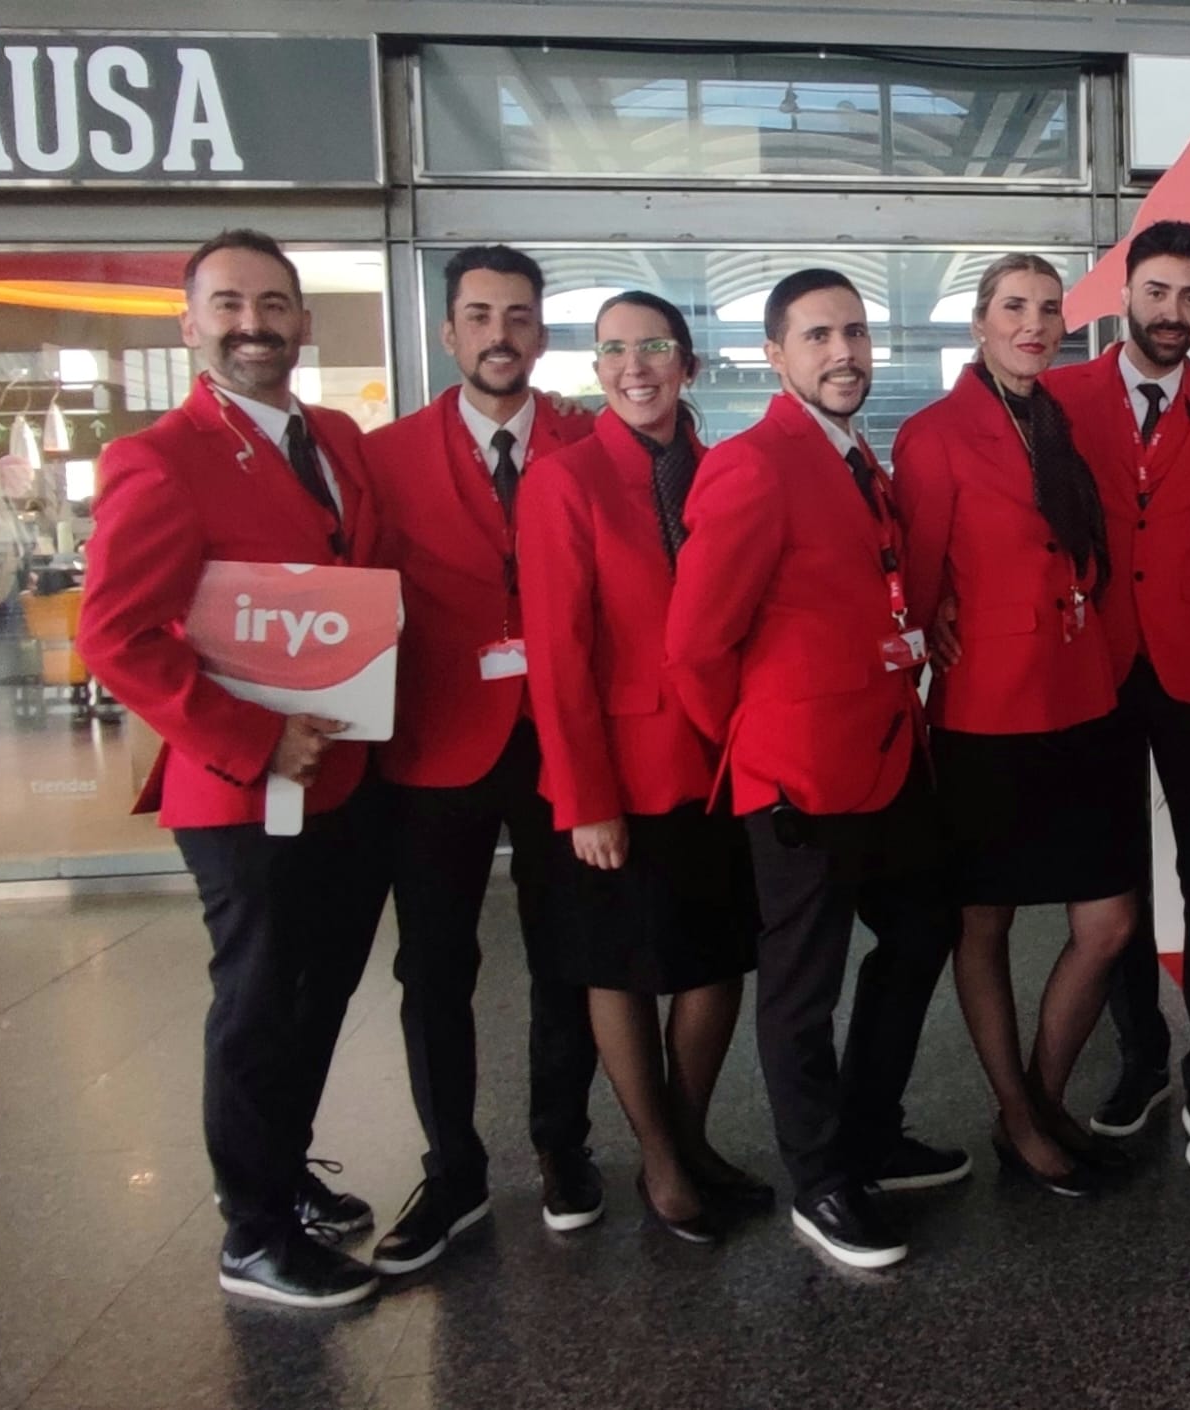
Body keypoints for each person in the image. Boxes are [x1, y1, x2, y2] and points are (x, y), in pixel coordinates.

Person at [77, 230, 391, 1309]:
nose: (252, 323)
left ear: (303, 320)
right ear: (190, 322)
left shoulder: (340, 439)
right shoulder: (159, 458)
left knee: (322, 990)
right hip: (241, 787)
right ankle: (252, 1234)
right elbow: (117, 636)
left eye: (273, 303)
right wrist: (256, 739)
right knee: (261, 1000)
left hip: (346, 779)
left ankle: (284, 1172)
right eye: (228, 304)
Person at [665, 268, 968, 1270]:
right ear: (775, 354)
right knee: (802, 988)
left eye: (853, 333)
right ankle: (820, 1181)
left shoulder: (852, 456)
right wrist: (758, 745)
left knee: (924, 927)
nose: (842, 353)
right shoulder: (754, 464)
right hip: (798, 777)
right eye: (817, 337)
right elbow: (696, 647)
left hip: (884, 758)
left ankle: (867, 1128)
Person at [360, 244, 604, 1276]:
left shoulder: (588, 440)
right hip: (434, 742)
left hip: (560, 740)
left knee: (568, 954)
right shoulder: (382, 456)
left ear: (539, 335)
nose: (498, 334)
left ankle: (562, 1145)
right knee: (434, 967)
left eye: (517, 317)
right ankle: (452, 1167)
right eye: (478, 316)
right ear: (450, 332)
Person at [520, 291, 768, 1246]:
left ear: (688, 365)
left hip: (718, 761)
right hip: (614, 772)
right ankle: (659, 1158)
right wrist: (586, 798)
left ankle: (691, 1135)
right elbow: (557, 652)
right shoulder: (566, 481)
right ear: (596, 370)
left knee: (715, 960)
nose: (636, 365)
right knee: (618, 968)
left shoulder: (724, 471)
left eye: (655, 347)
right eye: (615, 349)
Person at [894, 255, 1142, 1198]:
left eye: (1049, 310)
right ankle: (1017, 1113)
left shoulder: (1066, 422)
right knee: (983, 923)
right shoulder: (934, 434)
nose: (1034, 324)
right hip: (986, 711)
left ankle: (1038, 1097)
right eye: (1014, 308)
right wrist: (931, 629)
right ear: (979, 323)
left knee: (1109, 922)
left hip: (1083, 699)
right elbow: (914, 586)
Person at [1038, 221, 1190, 1180]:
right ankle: (1142, 1058)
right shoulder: (1058, 398)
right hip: (1093, 668)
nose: (1175, 314)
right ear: (1127, 292)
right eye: (1160, 293)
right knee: (1111, 884)